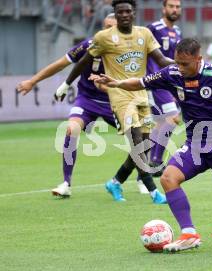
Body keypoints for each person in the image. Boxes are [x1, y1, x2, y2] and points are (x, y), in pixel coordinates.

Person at [91, 38, 212, 253]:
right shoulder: (171, 73)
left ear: (198, 59)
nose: (180, 68)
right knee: (168, 178)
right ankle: (189, 233)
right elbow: (141, 82)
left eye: (185, 64)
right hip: (195, 143)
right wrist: (116, 83)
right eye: (177, 62)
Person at [57, 0, 174, 203]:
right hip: (119, 96)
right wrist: (67, 84)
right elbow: (83, 61)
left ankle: (115, 182)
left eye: (128, 11)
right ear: (116, 13)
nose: (124, 15)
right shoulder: (104, 37)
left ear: (134, 13)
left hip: (140, 93)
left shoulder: (144, 34)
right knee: (136, 141)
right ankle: (154, 192)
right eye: (120, 12)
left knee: (145, 144)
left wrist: (185, 65)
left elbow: (162, 60)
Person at [15, 14, 139, 198]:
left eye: (112, 28)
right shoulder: (90, 45)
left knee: (141, 140)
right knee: (71, 129)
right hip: (87, 100)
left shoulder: (130, 52)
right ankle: (66, 183)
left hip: (115, 102)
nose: (107, 31)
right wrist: (33, 81)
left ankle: (123, 181)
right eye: (105, 26)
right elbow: (60, 64)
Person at [146, 0, 182, 176]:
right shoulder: (153, 28)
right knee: (173, 118)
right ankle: (157, 161)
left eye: (177, 7)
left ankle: (148, 160)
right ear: (163, 8)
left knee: (161, 123)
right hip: (156, 82)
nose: (175, 10)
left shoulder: (177, 31)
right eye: (171, 6)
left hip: (170, 84)